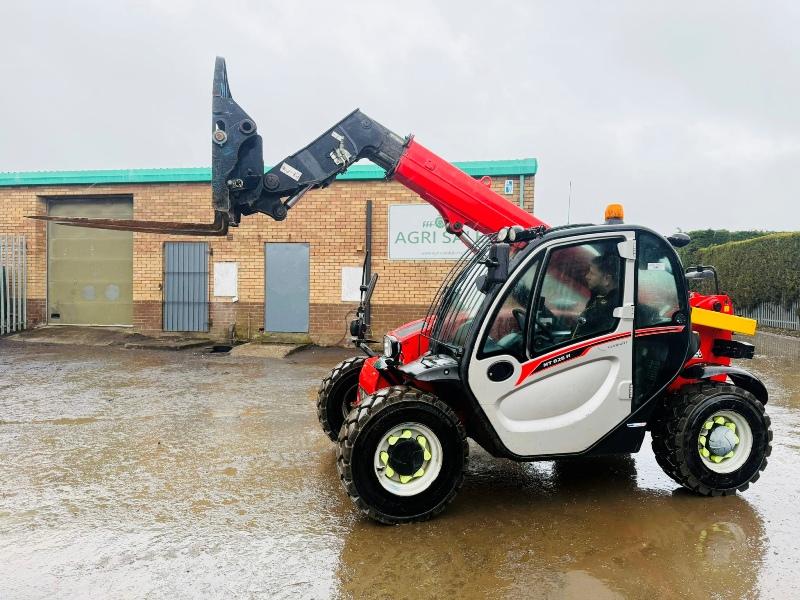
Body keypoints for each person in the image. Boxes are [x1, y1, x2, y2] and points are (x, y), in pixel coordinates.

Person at [573, 252, 620, 338]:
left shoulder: (612, 307)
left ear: (607, 279)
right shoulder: (597, 298)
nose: (587, 276)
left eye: (592, 273)